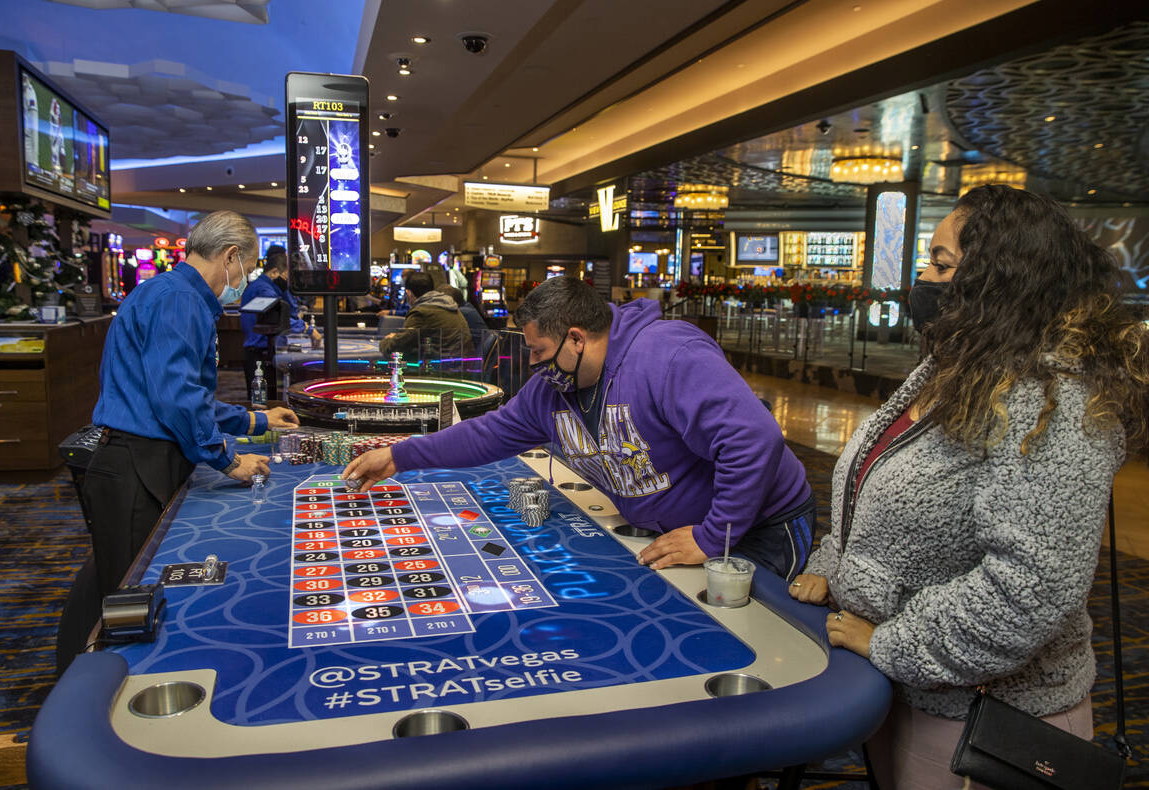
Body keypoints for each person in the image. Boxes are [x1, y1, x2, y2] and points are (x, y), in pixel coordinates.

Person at [788, 185, 1149, 789]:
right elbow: (875, 491)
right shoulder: (955, 366)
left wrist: (892, 643)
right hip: (904, 686)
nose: (924, 279)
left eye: (942, 265)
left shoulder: (1052, 398)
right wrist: (838, 567)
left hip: (986, 715)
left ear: (1002, 279)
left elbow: (1029, 589)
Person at [344, 276, 816, 578]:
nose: (532, 365)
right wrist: (400, 455)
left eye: (538, 351)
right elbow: (488, 433)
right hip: (684, 532)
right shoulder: (551, 389)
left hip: (757, 526)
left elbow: (753, 440)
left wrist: (714, 536)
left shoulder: (669, 355)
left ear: (576, 338)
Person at [63, 211, 300, 664]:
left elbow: (185, 396)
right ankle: (102, 710)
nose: (244, 282)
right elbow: (176, 401)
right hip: (137, 465)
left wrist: (255, 421)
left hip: (140, 459)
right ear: (230, 257)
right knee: (132, 606)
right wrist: (229, 461)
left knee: (130, 591)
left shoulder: (172, 294)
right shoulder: (179, 301)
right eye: (246, 271)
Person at [240, 247, 321, 399]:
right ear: (274, 272)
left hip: (262, 350)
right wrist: (308, 329)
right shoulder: (263, 289)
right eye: (286, 276)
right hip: (259, 352)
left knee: (265, 400)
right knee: (262, 402)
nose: (287, 281)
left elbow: (289, 310)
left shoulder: (268, 287)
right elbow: (279, 317)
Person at [379, 271, 475, 362]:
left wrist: (386, 340)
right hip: (461, 365)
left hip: (444, 370)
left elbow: (395, 348)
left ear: (409, 293)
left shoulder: (421, 313)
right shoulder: (447, 304)